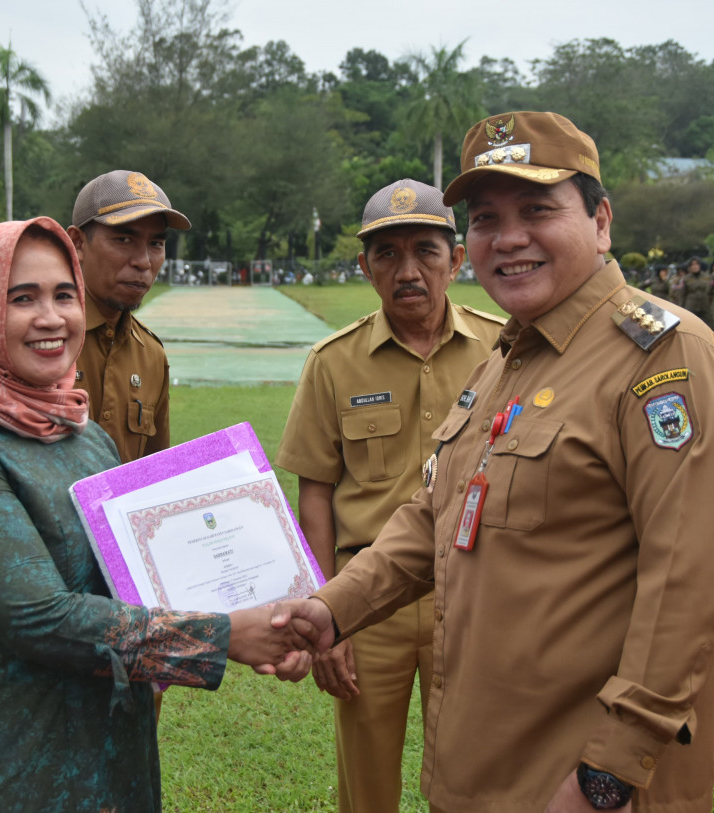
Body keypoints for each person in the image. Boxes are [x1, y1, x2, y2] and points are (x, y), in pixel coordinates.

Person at [282, 111, 714, 812]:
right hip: (484, 770)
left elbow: (691, 587)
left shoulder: (664, 357)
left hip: (579, 781)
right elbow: (432, 516)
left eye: (537, 209)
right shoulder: (509, 356)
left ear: (601, 221)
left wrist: (608, 775)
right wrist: (329, 610)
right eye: (485, 217)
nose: (508, 238)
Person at [0, 218, 312, 812]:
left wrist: (265, 604)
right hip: (1, 757)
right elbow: (38, 617)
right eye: (21, 298)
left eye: (64, 294)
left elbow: (139, 579)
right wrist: (223, 636)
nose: (51, 317)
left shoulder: (85, 436)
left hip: (110, 750)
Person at [276, 179, 505, 813]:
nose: (408, 271)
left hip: (471, 599)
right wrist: (332, 615)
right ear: (365, 267)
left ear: (456, 260)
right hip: (367, 602)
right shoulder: (334, 362)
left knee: (471, 777)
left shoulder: (505, 349)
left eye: (426, 251)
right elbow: (315, 496)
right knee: (367, 782)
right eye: (387, 254)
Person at [67, 169, 187, 464]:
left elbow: (154, 474)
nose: (143, 262)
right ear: (78, 243)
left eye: (156, 244)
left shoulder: (151, 355)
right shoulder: (43, 338)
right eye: (123, 239)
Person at [679, 254, 712, 325]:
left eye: (697, 264)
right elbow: (682, 295)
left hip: (705, 306)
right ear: (689, 267)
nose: (695, 266)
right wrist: (681, 309)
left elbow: (711, 292)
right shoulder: (686, 278)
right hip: (691, 306)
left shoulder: (707, 277)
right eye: (692, 265)